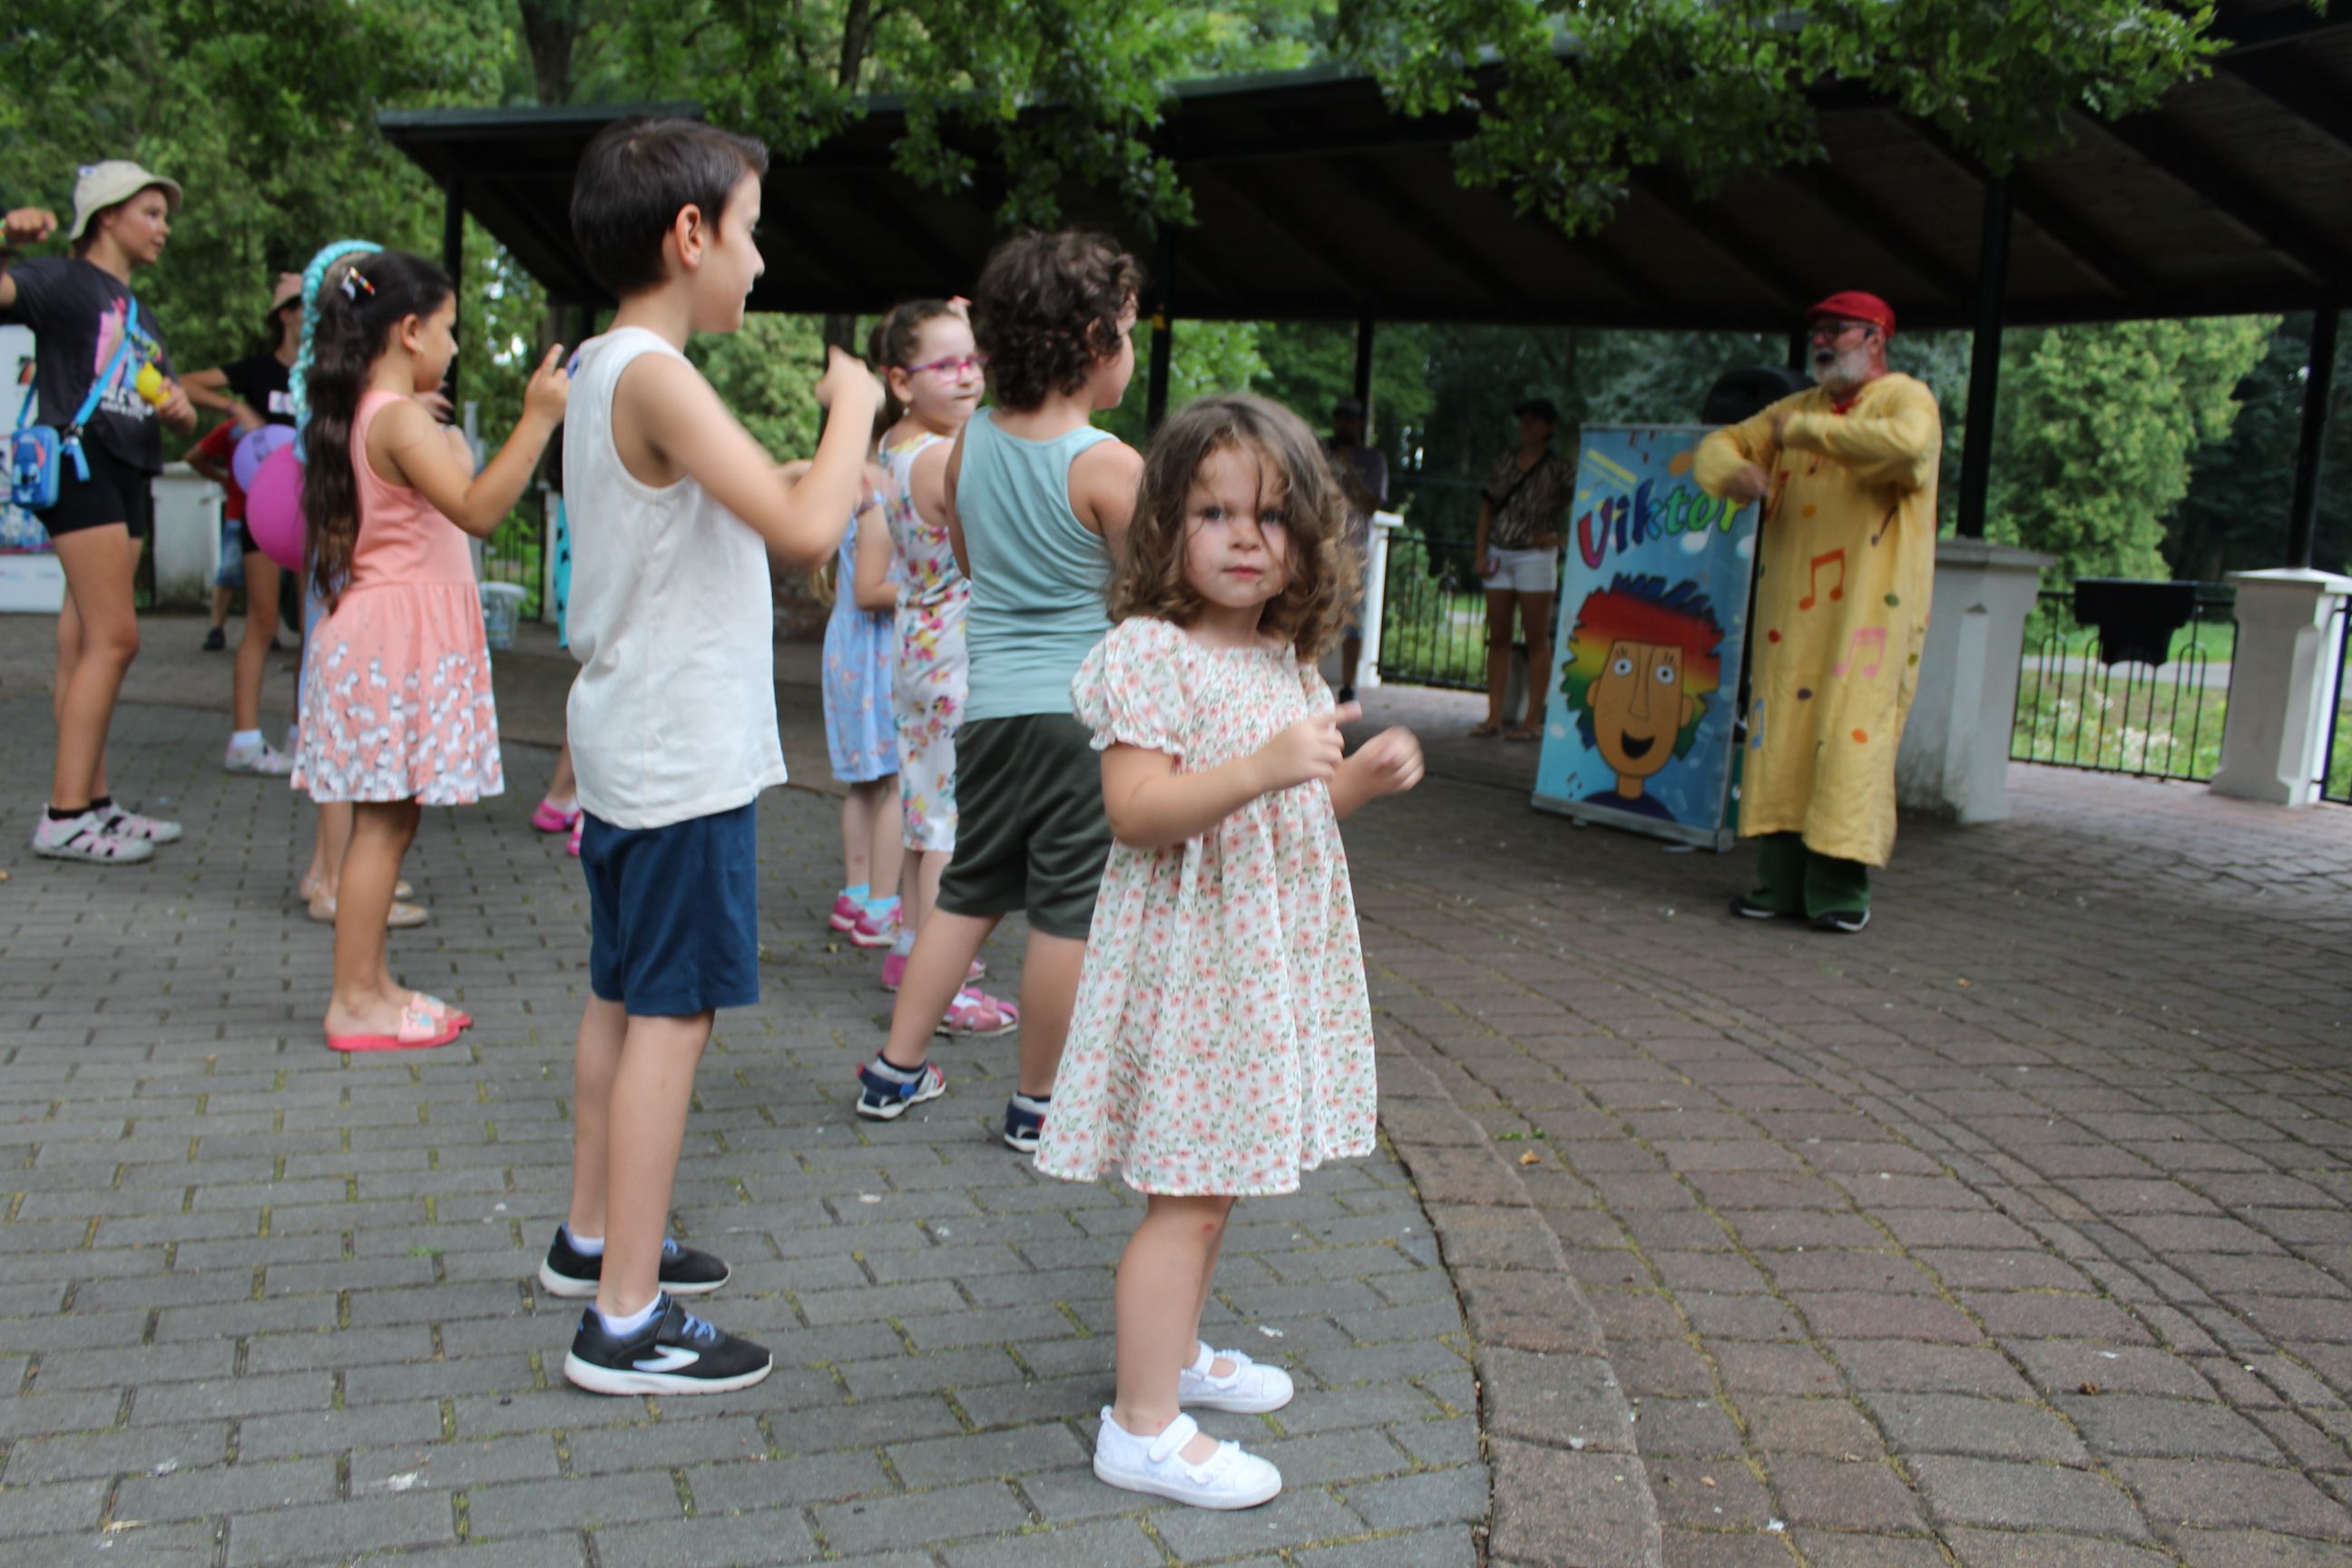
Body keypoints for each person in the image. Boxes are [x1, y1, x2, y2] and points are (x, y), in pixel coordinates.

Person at [544, 115, 882, 1396]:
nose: (759, 259)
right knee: (670, 1017)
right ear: (691, 234)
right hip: (679, 753)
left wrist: (811, 468)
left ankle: (594, 1240)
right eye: (750, 230)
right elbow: (804, 529)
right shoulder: (657, 372)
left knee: (622, 996)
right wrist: (857, 411)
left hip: (632, 740)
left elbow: (722, 501)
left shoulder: (607, 367)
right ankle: (627, 1321)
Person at [1037, 393, 1424, 1508]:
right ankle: (1142, 1425)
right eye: (1214, 513)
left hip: (1257, 968)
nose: (1245, 538)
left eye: (1270, 516)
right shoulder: (1150, 655)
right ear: (1166, 525)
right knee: (1189, 1195)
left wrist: (1356, 780)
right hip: (1192, 973)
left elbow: (1292, 811)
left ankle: (1175, 1354)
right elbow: (1137, 812)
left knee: (1221, 1184)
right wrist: (1261, 765)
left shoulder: (1282, 660)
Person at [853, 231, 1143, 1153]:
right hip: (1078, 720)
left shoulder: (966, 446)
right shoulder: (1109, 464)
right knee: (1066, 911)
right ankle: (1038, 1102)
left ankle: (895, 1069)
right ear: (1093, 341)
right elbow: (1149, 601)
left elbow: (972, 565)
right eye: (1129, 331)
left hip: (986, 714)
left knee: (969, 890)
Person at [289, 245, 565, 1049]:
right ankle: (354, 1000)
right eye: (448, 330)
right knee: (382, 828)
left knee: (390, 822)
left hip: (376, 639)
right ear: (409, 331)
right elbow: (477, 509)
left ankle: (373, 985)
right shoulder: (400, 418)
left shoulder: (366, 413)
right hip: (390, 645)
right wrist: (538, 417)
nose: (453, 347)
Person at [1693, 289, 1940, 935]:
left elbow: (1907, 450)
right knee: (1781, 740)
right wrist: (1732, 473)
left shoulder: (1907, 399)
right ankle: (1777, 885)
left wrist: (1801, 434)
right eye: (1819, 332)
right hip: (1790, 620)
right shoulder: (1794, 408)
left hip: (1868, 619)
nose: (1823, 342)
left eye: (1838, 331)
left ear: (1876, 340)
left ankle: (1838, 893)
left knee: (1849, 742)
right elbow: (1719, 444)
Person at [1, 165, 199, 864]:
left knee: (85, 642)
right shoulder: (61, 280)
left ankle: (93, 802)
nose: (164, 228)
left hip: (128, 471)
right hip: (80, 468)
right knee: (116, 640)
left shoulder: (138, 312)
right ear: (106, 215)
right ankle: (63, 816)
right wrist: (4, 234)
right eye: (151, 212)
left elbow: (175, 406)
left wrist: (180, 409)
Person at [867, 298, 1012, 1019]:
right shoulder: (942, 460)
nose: (968, 376)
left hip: (919, 645)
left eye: (974, 360)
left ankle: (908, 948)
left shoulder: (896, 446)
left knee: (926, 808)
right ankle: (942, 987)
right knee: (950, 828)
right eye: (947, 365)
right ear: (901, 380)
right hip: (956, 653)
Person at [184, 270, 305, 771]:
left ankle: (304, 736)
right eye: (307, 307)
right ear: (286, 315)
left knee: (315, 627)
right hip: (266, 510)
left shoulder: (324, 375)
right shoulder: (256, 370)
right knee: (262, 621)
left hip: (313, 508)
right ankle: (245, 740)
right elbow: (185, 383)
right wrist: (235, 407)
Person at [819, 456, 906, 952]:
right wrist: (937, 589)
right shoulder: (883, 497)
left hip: (851, 648)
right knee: (900, 779)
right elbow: (870, 591)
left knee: (865, 779)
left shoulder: (852, 485)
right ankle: (880, 906)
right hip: (879, 650)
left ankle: (856, 893)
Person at [1470, 396, 1573, 742]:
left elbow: (1590, 502)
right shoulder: (1505, 461)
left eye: (1534, 420)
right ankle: (1494, 717)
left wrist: (1559, 539)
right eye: (1523, 420)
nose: (1526, 426)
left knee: (1536, 638)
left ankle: (1531, 721)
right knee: (1498, 637)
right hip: (1500, 553)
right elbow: (1487, 509)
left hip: (1536, 556)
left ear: (1548, 427)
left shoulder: (1560, 468)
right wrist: (1480, 553)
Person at [1323, 397, 1387, 701]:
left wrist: (1347, 470)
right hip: (1321, 543)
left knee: (1353, 618)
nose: (1344, 424)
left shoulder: (1373, 460)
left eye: (1350, 418)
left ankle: (1349, 685)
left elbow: (1372, 505)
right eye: (1340, 417)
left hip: (1355, 549)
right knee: (1312, 612)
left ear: (1361, 424)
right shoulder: (1320, 450)